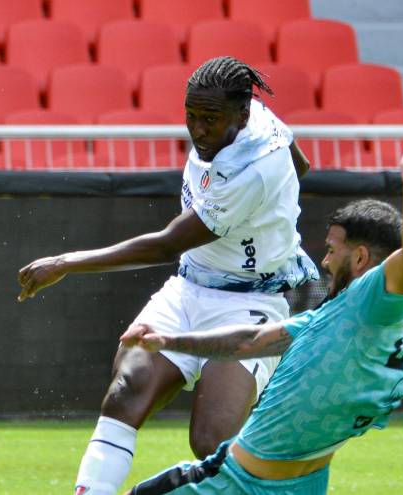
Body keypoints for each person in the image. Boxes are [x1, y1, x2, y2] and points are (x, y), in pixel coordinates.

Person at [17, 56, 318, 495]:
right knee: (125, 390)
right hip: (189, 287)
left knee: (211, 439)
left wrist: (66, 262)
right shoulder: (259, 118)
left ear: (241, 114)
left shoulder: (254, 169)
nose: (198, 130)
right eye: (191, 116)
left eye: (210, 120)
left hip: (250, 301)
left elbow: (166, 244)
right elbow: (302, 165)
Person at [119, 119, 403, 494]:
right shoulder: (329, 319)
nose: (326, 262)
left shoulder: (374, 302)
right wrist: (169, 341)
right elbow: (247, 341)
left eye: (333, 250)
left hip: (235, 484)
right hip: (279, 484)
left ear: (362, 258)